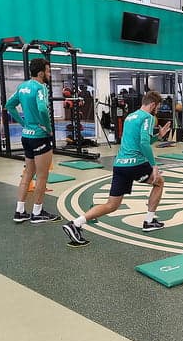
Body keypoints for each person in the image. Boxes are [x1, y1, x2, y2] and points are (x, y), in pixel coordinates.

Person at [61, 91, 172, 247]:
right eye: (157, 107)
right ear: (153, 105)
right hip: (135, 164)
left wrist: (158, 136)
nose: (157, 110)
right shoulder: (147, 118)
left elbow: (138, 140)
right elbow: (144, 143)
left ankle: (76, 223)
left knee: (112, 205)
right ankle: (149, 221)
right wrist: (154, 165)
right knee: (159, 182)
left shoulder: (130, 117)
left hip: (120, 164)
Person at [6, 58, 61, 224]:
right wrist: (48, 128)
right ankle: (37, 213)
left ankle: (20, 211)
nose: (50, 74)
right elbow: (43, 108)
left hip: (27, 136)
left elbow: (9, 105)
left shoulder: (22, 87)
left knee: (28, 174)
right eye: (49, 71)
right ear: (41, 73)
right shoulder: (40, 87)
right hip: (39, 137)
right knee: (42, 176)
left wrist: (23, 123)